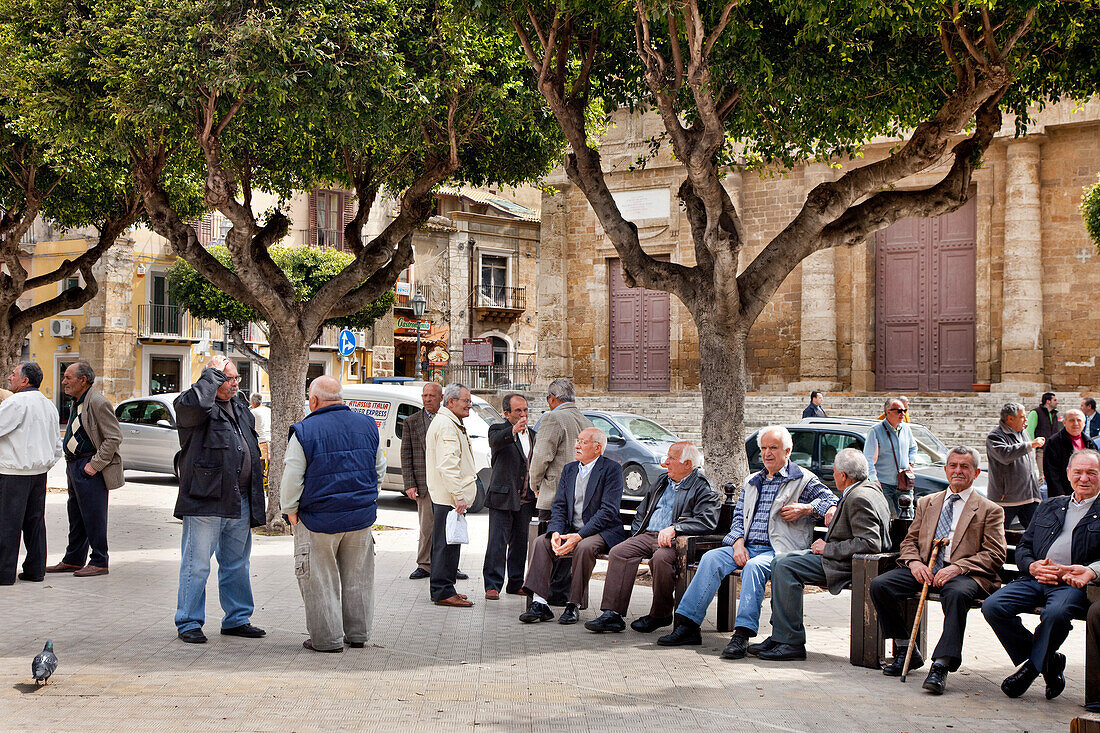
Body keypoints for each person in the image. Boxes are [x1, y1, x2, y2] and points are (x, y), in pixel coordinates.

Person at [657, 427, 837, 656]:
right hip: (748, 546)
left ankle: (741, 635)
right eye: (763, 448)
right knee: (712, 558)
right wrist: (738, 544)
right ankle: (689, 626)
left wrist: (808, 508)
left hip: (780, 550)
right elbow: (738, 521)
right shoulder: (752, 480)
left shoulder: (803, 479)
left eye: (773, 448)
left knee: (753, 567)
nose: (767, 453)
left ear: (788, 450)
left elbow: (833, 502)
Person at [870, 446, 1006, 694]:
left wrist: (958, 567)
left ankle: (941, 665)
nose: (958, 471)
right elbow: (909, 541)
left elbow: (995, 554)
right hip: (927, 568)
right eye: (953, 466)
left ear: (976, 472)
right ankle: (905, 648)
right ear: (945, 470)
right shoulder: (927, 502)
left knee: (955, 595)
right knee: (880, 585)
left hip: (966, 574)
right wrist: (914, 563)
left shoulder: (989, 509)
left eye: (964, 467)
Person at [747, 448, 891, 661]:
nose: (833, 475)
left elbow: (870, 543)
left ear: (842, 475)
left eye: (834, 472)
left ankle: (790, 642)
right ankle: (781, 636)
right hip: (846, 559)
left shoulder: (860, 497)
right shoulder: (866, 489)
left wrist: (827, 548)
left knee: (785, 567)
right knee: (781, 561)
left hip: (850, 565)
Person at [982, 449, 1100, 700]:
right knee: (993, 606)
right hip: (1035, 578)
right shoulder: (1050, 505)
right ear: (1068, 474)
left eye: (1091, 472)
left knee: (1056, 614)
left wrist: (1089, 571)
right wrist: (1033, 566)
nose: (1084, 478)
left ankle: (1031, 669)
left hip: (1071, 584)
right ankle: (1049, 661)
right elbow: (1024, 547)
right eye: (1078, 472)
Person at [281, 376, 385, 653]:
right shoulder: (367, 425)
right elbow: (379, 470)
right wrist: (366, 497)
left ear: (313, 401)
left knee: (320, 581)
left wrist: (290, 510)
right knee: (359, 579)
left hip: (318, 519)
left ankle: (327, 640)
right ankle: (358, 634)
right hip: (360, 518)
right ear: (341, 398)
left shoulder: (304, 430)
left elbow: (292, 477)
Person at [172, 355, 266, 644]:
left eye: (237, 378)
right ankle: (188, 621)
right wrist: (212, 374)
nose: (235, 383)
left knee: (237, 563)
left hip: (239, 499)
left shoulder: (240, 407)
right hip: (205, 500)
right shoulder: (193, 405)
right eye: (228, 378)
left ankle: (237, 618)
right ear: (210, 377)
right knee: (196, 563)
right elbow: (194, 405)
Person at [586, 441, 721, 634]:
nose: (666, 462)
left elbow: (707, 521)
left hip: (676, 540)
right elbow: (643, 510)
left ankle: (660, 614)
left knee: (660, 559)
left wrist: (676, 528)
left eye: (671, 459)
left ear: (688, 464)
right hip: (648, 534)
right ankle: (613, 614)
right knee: (619, 552)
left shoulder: (702, 487)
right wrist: (636, 534)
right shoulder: (662, 481)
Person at [520, 428, 625, 625]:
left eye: (582, 442)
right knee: (542, 542)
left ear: (597, 448)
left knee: (584, 547)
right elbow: (559, 506)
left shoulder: (611, 469)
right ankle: (540, 603)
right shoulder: (569, 469)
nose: (576, 446)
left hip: (602, 531)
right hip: (571, 529)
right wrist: (557, 531)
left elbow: (608, 511)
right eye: (577, 441)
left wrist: (580, 536)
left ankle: (573, 604)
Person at [45, 362, 124, 578]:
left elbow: (114, 437)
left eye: (68, 377)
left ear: (83, 380)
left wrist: (94, 465)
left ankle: (99, 561)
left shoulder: (97, 402)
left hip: (88, 467)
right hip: (74, 465)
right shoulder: (76, 402)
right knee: (76, 515)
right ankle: (73, 560)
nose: (64, 382)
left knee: (94, 515)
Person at [528, 378, 591, 604]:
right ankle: (561, 593)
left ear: (552, 398)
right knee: (567, 546)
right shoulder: (585, 420)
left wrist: (534, 485)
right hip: (581, 498)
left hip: (554, 494)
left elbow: (541, 457)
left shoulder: (552, 418)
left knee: (549, 544)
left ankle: (545, 594)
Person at [0, 362, 62, 585]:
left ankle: (4, 574)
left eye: (13, 375)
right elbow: (57, 446)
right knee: (35, 522)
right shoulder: (48, 405)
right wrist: (43, 465)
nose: (9, 378)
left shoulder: (16, 403)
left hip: (13, 472)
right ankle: (36, 570)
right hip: (38, 473)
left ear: (25, 380)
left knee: (8, 522)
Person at [401, 382, 466, 581]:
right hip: (423, 484)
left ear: (441, 398)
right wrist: (409, 483)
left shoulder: (453, 419)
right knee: (427, 527)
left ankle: (449, 566)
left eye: (431, 396)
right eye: (424, 395)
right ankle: (424, 564)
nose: (427, 399)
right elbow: (406, 455)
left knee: (450, 526)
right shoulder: (412, 421)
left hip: (446, 485)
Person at [425, 382, 477, 607]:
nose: (469, 405)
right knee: (446, 546)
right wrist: (458, 495)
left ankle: (445, 587)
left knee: (448, 543)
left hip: (448, 498)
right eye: (466, 401)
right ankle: (443, 590)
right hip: (448, 499)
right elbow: (448, 464)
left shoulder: (450, 422)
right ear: (451, 402)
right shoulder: (447, 425)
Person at [483, 393, 536, 600]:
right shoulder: (497, 430)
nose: (523, 414)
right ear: (507, 413)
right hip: (502, 497)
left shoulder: (533, 434)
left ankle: (516, 583)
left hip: (526, 499)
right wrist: (513, 431)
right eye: (518, 411)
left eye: (525, 410)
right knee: (497, 543)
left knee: (520, 543)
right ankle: (492, 584)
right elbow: (495, 442)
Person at [986, 402, 1044, 529]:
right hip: (1006, 500)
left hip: (1029, 497)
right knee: (999, 534)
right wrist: (1031, 445)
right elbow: (1005, 454)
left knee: (1036, 532)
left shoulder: (1023, 433)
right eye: (1022, 417)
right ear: (1010, 419)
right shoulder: (995, 436)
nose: (1026, 420)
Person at [864, 397, 917, 518]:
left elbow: (913, 448)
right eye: (899, 411)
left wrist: (910, 463)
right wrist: (874, 480)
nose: (903, 414)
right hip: (884, 484)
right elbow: (868, 458)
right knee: (887, 519)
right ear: (888, 412)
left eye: (905, 410)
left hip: (905, 482)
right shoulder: (875, 431)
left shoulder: (906, 429)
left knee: (908, 518)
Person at [1043, 408, 1088, 497]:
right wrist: (1059, 493)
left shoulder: (1089, 442)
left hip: (1086, 491)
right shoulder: (1054, 442)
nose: (1075, 424)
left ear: (1084, 423)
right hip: (1064, 492)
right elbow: (1050, 470)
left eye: (1079, 420)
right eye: (1071, 420)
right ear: (1064, 423)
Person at [249, 392, 271, 467]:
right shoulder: (269, 410)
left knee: (259, 464)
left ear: (252, 402)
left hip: (259, 442)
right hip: (270, 441)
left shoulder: (252, 412)